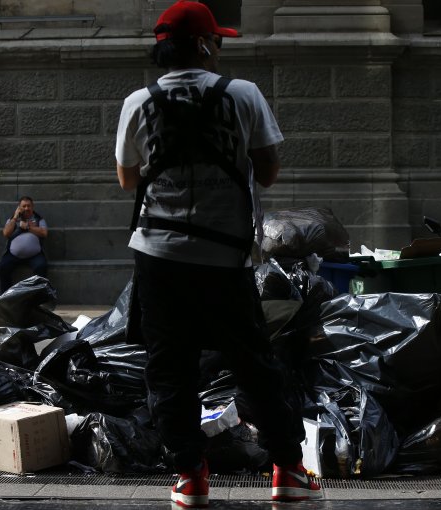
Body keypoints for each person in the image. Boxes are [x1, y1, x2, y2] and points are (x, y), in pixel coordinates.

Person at [114, 1, 321, 507]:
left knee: (169, 368)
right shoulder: (243, 94)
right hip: (224, 257)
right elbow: (268, 171)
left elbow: (127, 178)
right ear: (206, 45)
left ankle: (189, 478)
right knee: (253, 363)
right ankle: (289, 473)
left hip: (158, 257)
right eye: (218, 40)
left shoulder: (138, 101)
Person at [0, 196, 48, 293]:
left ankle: (38, 296)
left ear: (32, 207)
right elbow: (6, 233)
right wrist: (15, 217)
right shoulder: (12, 220)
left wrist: (28, 227)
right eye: (23, 206)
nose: (26, 208)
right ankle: (6, 297)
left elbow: (44, 233)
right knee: (3, 267)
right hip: (13, 255)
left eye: (28, 206)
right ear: (19, 208)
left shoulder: (39, 219)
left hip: (35, 255)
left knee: (41, 267)